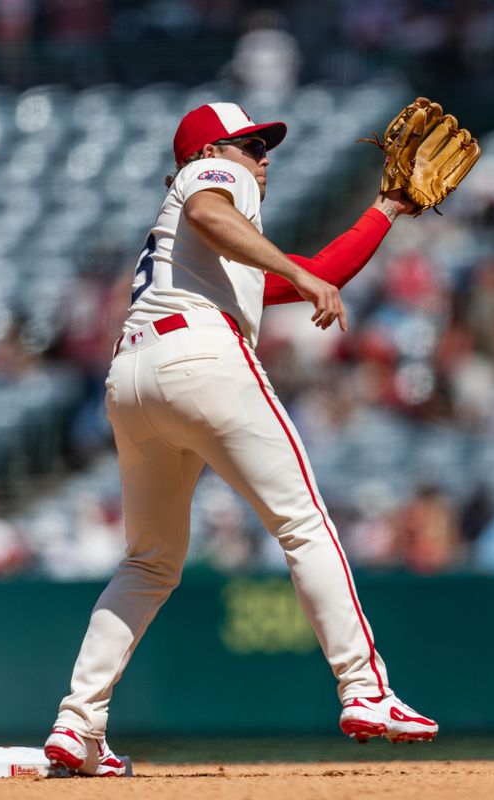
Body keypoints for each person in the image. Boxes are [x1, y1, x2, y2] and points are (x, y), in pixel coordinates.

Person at [44, 103, 434, 777]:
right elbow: (213, 214)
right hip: (201, 357)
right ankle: (366, 690)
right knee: (304, 522)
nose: (262, 156)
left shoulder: (208, 256)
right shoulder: (210, 179)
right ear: (209, 152)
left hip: (132, 378)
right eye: (251, 144)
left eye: (262, 145)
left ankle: (78, 724)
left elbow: (323, 269)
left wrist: (387, 207)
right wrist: (303, 272)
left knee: (148, 561)